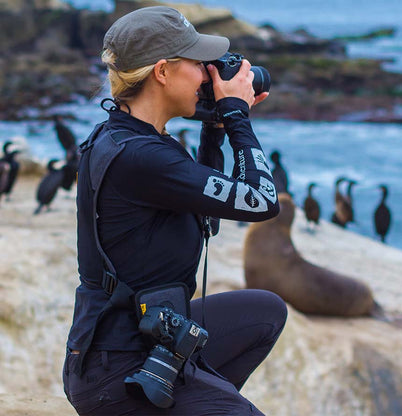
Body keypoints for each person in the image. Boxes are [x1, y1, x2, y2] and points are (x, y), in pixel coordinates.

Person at [63, 6, 287, 416]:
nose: (208, 76)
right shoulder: (140, 156)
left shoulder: (134, 137)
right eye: (201, 65)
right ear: (163, 72)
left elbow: (207, 214)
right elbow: (261, 201)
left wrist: (214, 130)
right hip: (119, 371)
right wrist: (237, 116)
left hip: (151, 337)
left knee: (265, 312)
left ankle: (196, 400)